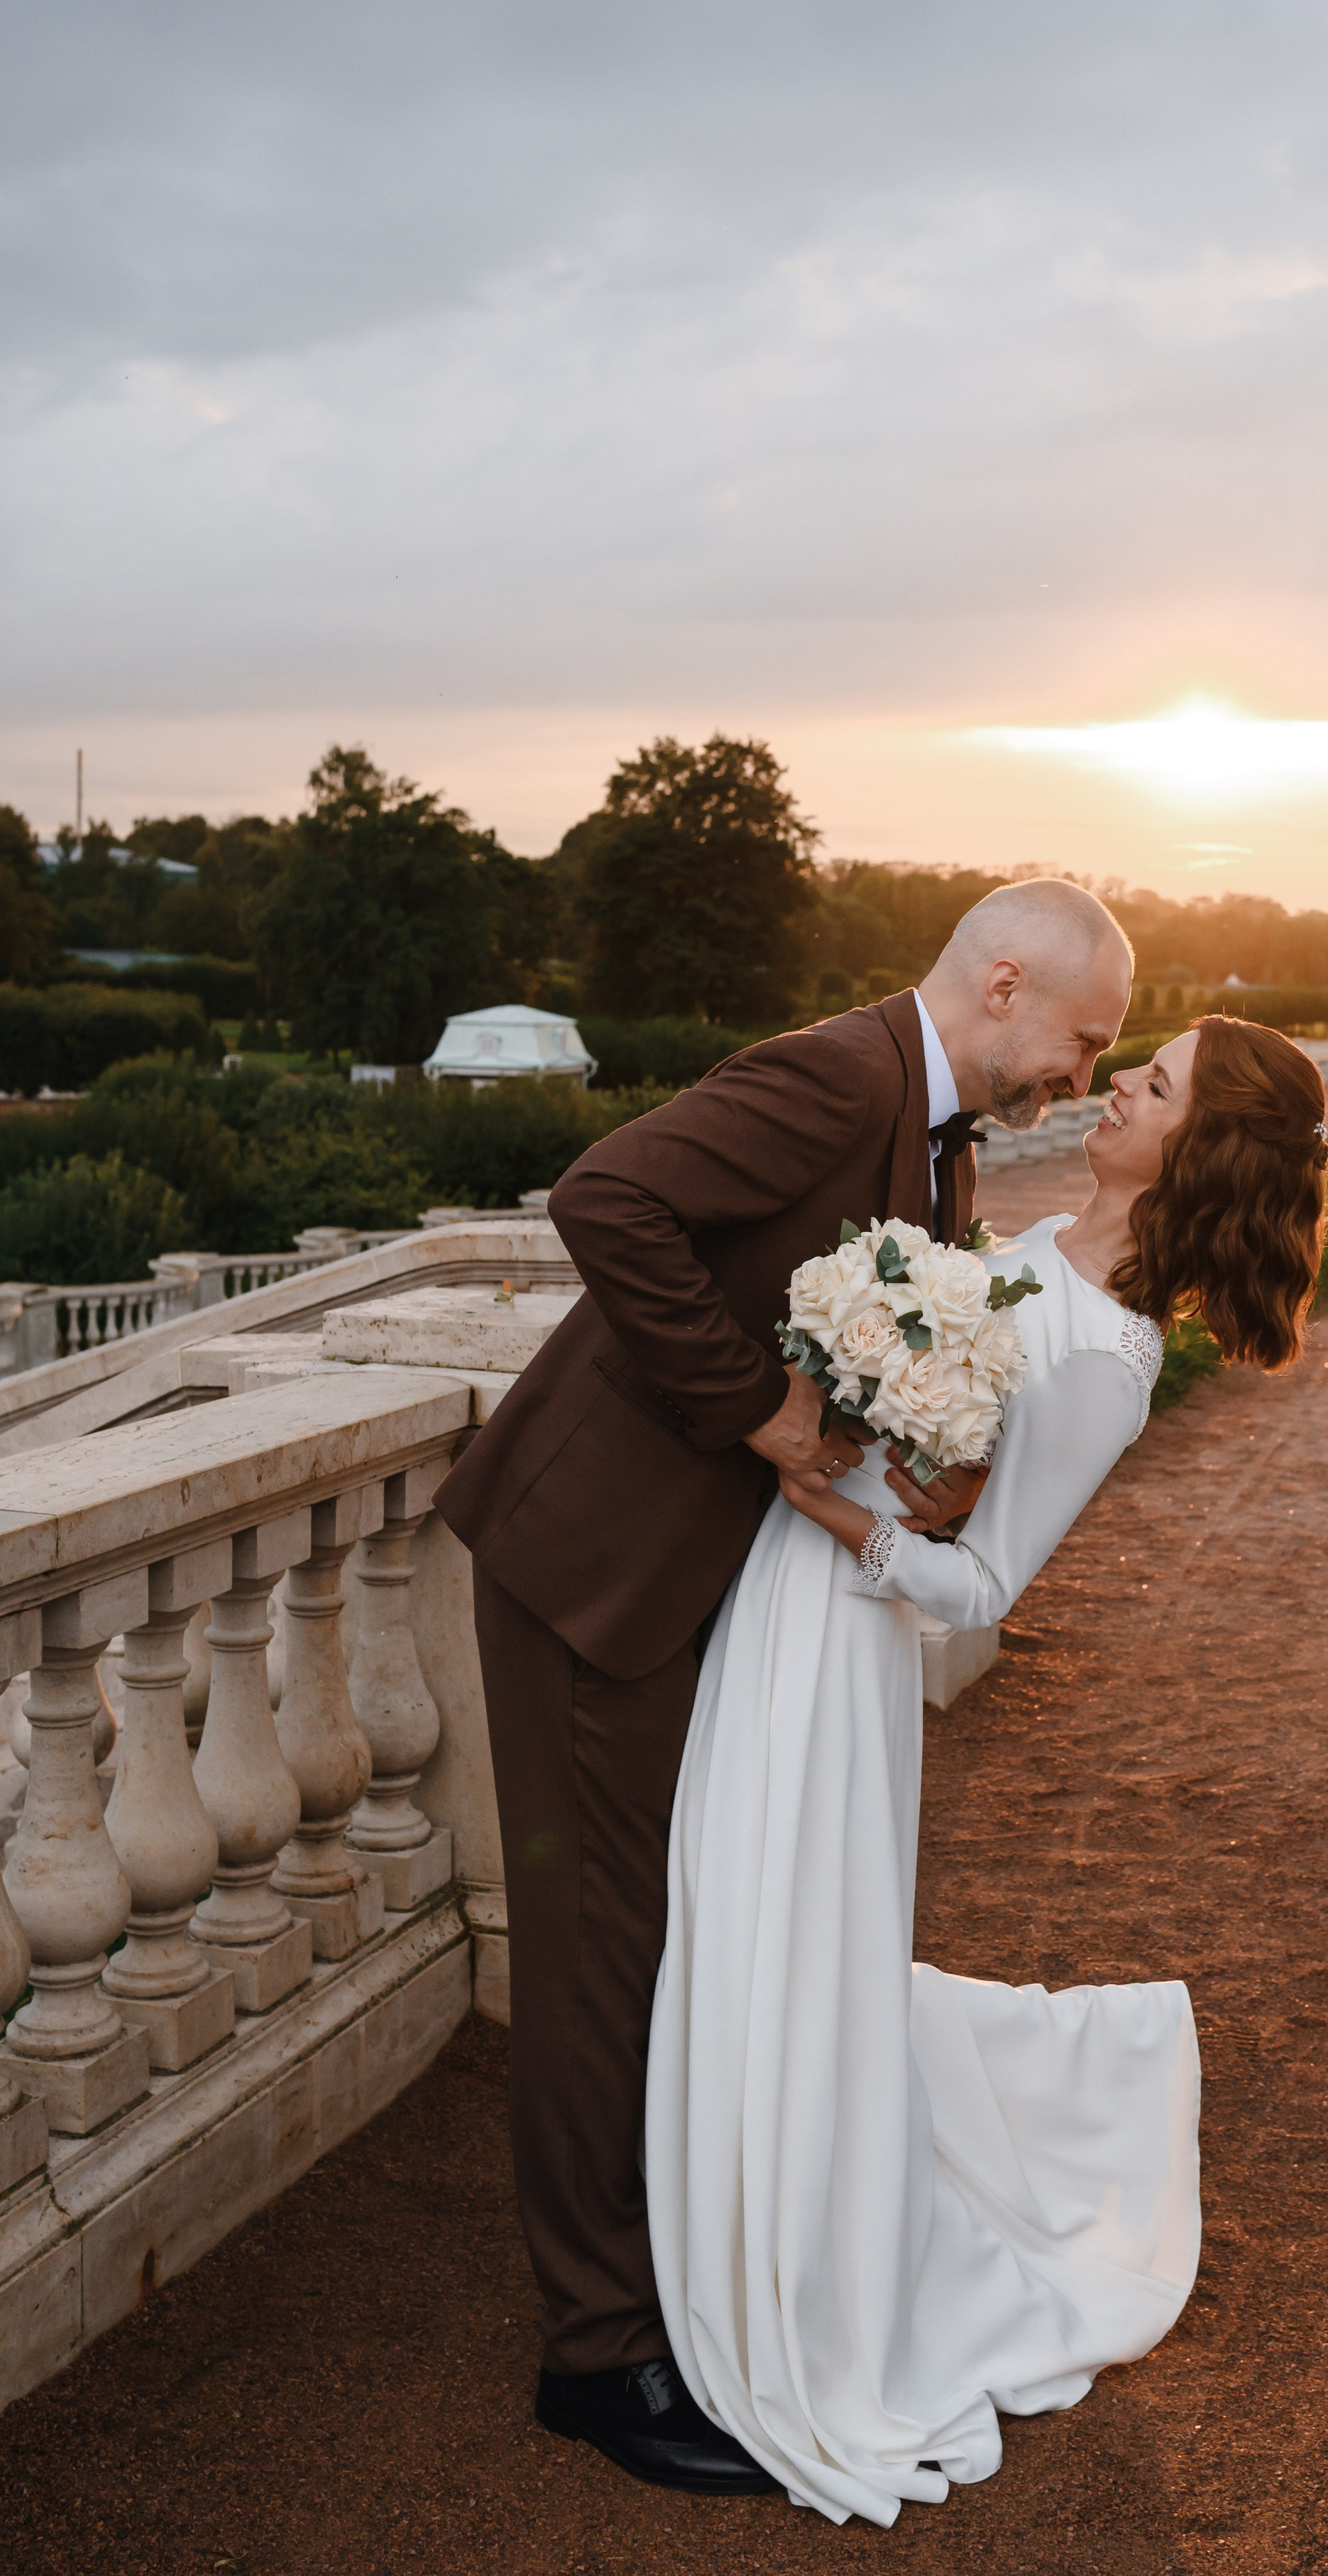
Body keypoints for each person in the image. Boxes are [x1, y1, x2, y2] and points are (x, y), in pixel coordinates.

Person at [434, 878, 1135, 2496]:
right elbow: (605, 1196)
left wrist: (916, 1455)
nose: (1082, 1075)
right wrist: (757, 1408)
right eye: (1084, 1040)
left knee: (664, 1941)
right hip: (589, 1571)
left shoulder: (943, 1136)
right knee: (600, 1960)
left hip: (695, 1586)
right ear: (1005, 984)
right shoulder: (837, 1074)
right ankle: (597, 2358)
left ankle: (671, 2285)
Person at [645, 1013, 1328, 2523]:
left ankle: (801, 2262)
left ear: (1200, 1149)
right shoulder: (1038, 1241)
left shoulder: (1109, 1355)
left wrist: (835, 1510)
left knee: (776, 1922)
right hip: (780, 1591)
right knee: (735, 1910)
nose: (1119, 1086)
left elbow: (982, 1585)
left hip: (840, 1626)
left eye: (1155, 1084)